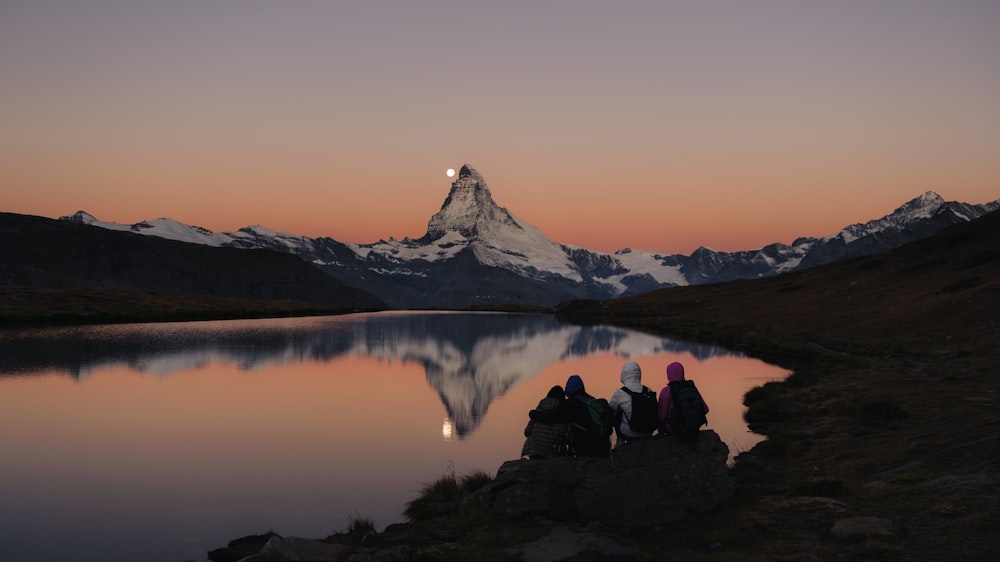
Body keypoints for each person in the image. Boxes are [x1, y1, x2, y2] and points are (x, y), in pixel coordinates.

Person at [608, 361, 658, 447]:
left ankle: (620, 442)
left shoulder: (619, 393)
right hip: (648, 431)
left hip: (628, 434)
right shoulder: (648, 390)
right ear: (639, 374)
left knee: (616, 411)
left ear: (624, 374)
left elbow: (610, 413)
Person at [657, 361, 710, 438]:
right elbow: (705, 409)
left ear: (668, 374)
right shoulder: (691, 388)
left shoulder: (666, 391)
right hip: (694, 429)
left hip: (675, 430)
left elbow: (661, 416)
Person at [521, 385, 570, 459]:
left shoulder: (539, 409)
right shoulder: (564, 413)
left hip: (533, 452)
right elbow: (568, 437)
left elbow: (527, 432)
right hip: (551, 454)